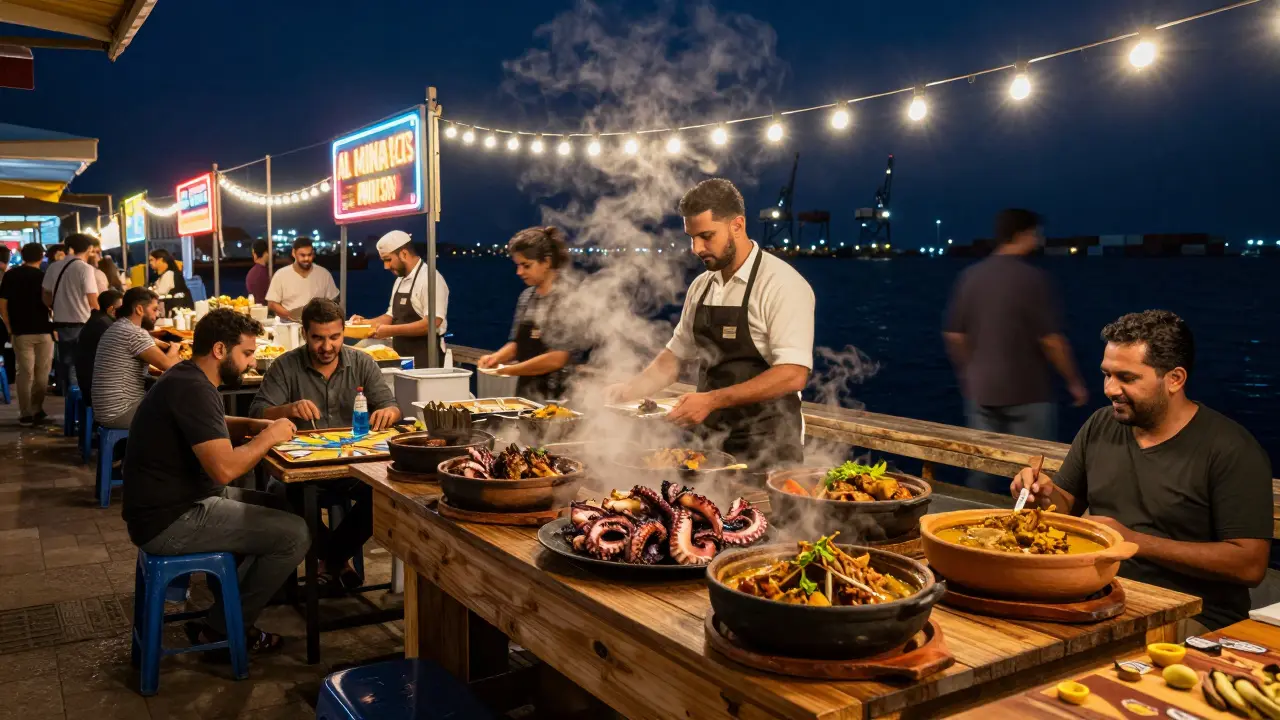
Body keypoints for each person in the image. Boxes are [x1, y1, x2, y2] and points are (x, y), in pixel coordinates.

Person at [1011, 310, 1271, 631]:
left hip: (1190, 614)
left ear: (1174, 379)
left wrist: (1133, 541)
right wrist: (1041, 495)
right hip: (1101, 597)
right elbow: (1063, 506)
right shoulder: (1101, 424)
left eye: (1127, 378)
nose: (1110, 388)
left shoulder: (1230, 449)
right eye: (1107, 374)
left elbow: (1250, 564)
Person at [123, 308, 307, 654]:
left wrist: (252, 426)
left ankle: (236, 603)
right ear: (221, 350)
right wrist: (269, 437)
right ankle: (222, 630)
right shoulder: (193, 388)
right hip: (171, 519)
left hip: (170, 504)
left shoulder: (187, 378)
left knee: (282, 506)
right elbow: (224, 470)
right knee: (294, 534)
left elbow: (211, 423)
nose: (252, 364)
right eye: (247, 354)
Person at [605, 178, 815, 468]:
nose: (695, 248)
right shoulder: (702, 286)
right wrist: (629, 390)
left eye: (706, 236)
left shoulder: (782, 284)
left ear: (737, 225)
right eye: (691, 237)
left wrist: (711, 400)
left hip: (769, 447)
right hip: (708, 445)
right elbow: (674, 359)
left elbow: (793, 374)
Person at [249, 298, 399, 591]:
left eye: (335, 337)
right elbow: (257, 414)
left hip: (354, 467)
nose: (327, 347)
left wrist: (388, 413)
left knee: (386, 492)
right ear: (304, 333)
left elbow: (392, 406)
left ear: (344, 332)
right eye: (318, 338)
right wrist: (289, 409)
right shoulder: (285, 366)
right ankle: (336, 562)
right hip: (302, 470)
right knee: (283, 492)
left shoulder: (363, 362)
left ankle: (330, 558)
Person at [944, 209, 1088, 448]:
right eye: (1036, 234)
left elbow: (954, 335)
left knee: (982, 467)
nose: (1039, 240)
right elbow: (1051, 340)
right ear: (1023, 234)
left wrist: (971, 372)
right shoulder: (1033, 278)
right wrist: (1074, 382)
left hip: (981, 392)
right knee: (1034, 470)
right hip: (1027, 393)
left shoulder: (970, 276)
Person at [478, 226, 586, 401]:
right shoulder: (527, 297)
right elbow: (517, 344)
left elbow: (558, 358)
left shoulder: (570, 298)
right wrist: (495, 358)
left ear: (547, 262)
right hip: (526, 396)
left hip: (562, 397)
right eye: (518, 265)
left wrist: (509, 370)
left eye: (526, 265)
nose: (519, 272)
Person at [350, 230, 449, 368]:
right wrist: (364, 324)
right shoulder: (400, 280)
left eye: (388, 260)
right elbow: (391, 316)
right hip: (401, 357)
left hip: (426, 358)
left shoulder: (430, 279)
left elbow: (432, 323)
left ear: (403, 254)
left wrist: (389, 331)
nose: (386, 266)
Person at [93, 288, 182, 429]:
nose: (157, 314)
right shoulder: (134, 333)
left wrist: (161, 344)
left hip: (107, 410)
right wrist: (175, 348)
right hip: (121, 412)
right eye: (154, 310)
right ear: (139, 309)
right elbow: (170, 366)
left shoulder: (120, 327)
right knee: (183, 414)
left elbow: (148, 342)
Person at [0, 242, 55, 425]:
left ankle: (25, 413)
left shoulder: (10, 275)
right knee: (42, 373)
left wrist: (8, 326)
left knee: (24, 372)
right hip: (43, 330)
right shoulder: (44, 276)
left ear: (23, 256)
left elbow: (3, 303)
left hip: (20, 330)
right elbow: (50, 303)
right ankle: (37, 408)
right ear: (41, 257)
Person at [42, 233, 101, 394]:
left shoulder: (54, 267)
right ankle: (79, 399)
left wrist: (55, 307)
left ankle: (68, 395)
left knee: (65, 362)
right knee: (81, 363)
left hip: (60, 323)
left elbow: (45, 295)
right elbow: (92, 299)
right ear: (88, 249)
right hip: (82, 323)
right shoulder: (85, 269)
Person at [73, 288, 123, 414]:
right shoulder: (104, 325)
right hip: (96, 390)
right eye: (122, 309)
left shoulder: (99, 320)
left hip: (90, 382)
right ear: (112, 309)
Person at [265, 237, 338, 322]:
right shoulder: (281, 275)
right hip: (289, 324)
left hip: (317, 325)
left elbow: (333, 301)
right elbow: (272, 303)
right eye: (302, 255)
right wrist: (291, 316)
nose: (306, 258)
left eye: (309, 255)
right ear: (293, 253)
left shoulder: (324, 274)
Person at [245, 239, 271, 303]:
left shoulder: (252, 272)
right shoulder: (266, 273)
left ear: (254, 253)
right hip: (265, 308)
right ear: (266, 254)